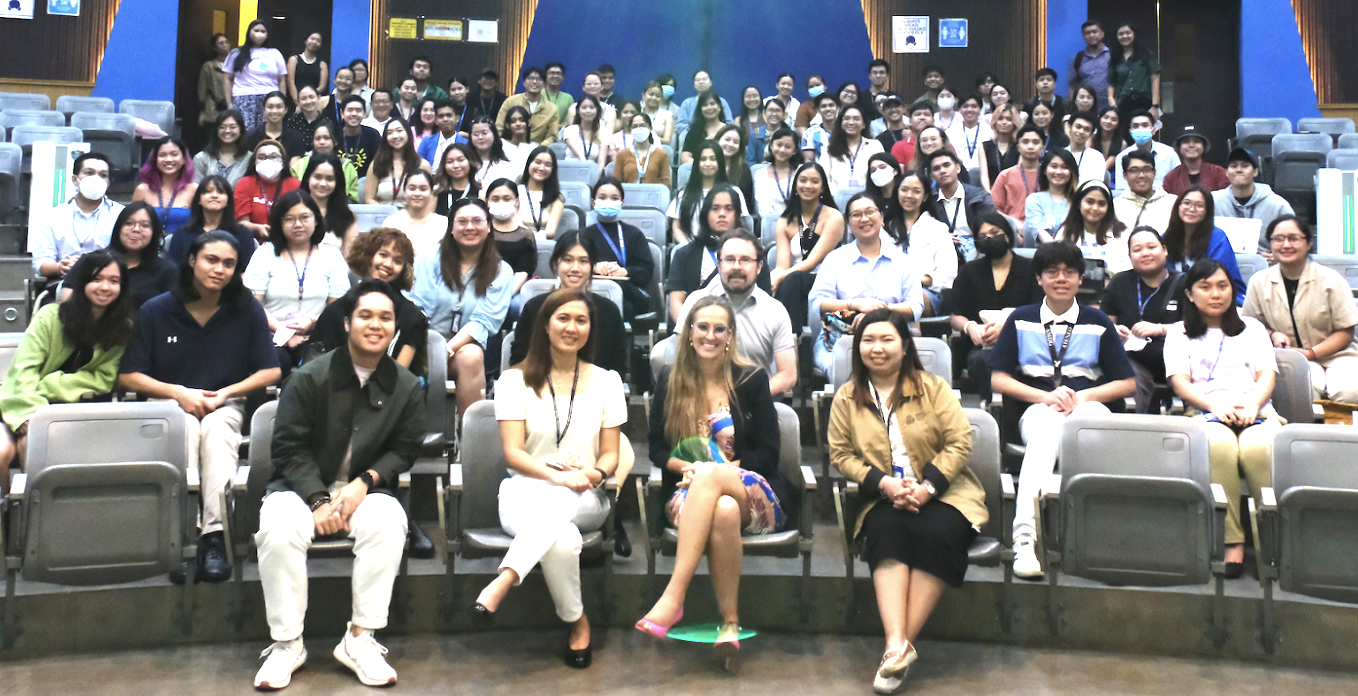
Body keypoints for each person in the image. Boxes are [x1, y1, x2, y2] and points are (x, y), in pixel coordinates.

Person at [251, 279, 422, 690]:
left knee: (388, 521)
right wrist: (318, 499)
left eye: (385, 317)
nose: (375, 324)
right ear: (347, 322)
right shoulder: (310, 377)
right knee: (277, 527)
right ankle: (287, 643)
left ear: (395, 327)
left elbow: (406, 449)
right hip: (299, 487)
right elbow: (288, 449)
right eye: (366, 315)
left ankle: (360, 639)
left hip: (364, 491)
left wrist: (366, 481)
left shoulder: (406, 385)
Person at [828, 308, 986, 694]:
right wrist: (884, 485)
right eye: (868, 340)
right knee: (886, 532)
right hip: (885, 497)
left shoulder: (933, 388)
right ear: (857, 347)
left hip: (946, 493)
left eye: (886, 340)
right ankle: (898, 644)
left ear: (904, 345)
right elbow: (841, 454)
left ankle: (894, 649)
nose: (876, 348)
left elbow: (959, 441)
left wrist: (927, 487)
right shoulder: (847, 397)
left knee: (937, 534)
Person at [479, 285, 630, 671]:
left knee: (563, 505)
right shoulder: (514, 381)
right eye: (563, 318)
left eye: (581, 320)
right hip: (525, 492)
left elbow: (611, 453)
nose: (572, 327)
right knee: (562, 539)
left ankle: (505, 577)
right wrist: (555, 476)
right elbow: (514, 454)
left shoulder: (607, 381)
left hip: (584, 494)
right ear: (545, 325)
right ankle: (577, 622)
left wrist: (593, 473)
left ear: (589, 330)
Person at [119, 231, 281, 582]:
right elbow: (129, 375)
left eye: (228, 264)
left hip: (224, 402)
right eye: (211, 260)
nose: (219, 269)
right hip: (169, 404)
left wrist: (225, 393)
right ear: (192, 260)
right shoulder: (157, 309)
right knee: (187, 429)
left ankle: (214, 537)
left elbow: (271, 370)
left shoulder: (247, 309)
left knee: (218, 433)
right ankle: (179, 535)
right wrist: (177, 393)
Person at [636, 295, 788, 666]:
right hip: (693, 494)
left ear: (731, 336)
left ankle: (674, 597)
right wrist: (684, 469)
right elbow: (656, 448)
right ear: (688, 333)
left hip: (753, 492)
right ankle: (731, 624)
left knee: (713, 480)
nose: (710, 335)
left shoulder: (751, 379)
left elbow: (769, 454)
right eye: (702, 327)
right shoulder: (670, 379)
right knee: (720, 510)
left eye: (720, 328)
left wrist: (723, 468)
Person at [989, 242, 1135, 579]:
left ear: (1080, 278)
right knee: (1045, 433)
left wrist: (1081, 398)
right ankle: (1025, 539)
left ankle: (1100, 539)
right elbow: (999, 379)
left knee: (1088, 431)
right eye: (1052, 272)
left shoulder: (1097, 321)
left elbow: (1126, 383)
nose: (1061, 278)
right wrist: (1045, 398)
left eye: (1069, 272)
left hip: (1087, 406)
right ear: (1039, 278)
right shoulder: (1020, 318)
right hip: (1037, 407)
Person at [1166, 258, 1280, 579]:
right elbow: (1180, 382)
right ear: (1189, 294)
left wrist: (1253, 405)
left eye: (1223, 286)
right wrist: (1214, 407)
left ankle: (1274, 541)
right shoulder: (1179, 332)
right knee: (1219, 447)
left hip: (1254, 411)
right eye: (1205, 287)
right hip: (1204, 413)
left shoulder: (1252, 328)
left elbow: (1267, 375)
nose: (1216, 294)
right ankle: (1233, 539)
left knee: (1259, 450)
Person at [0, 249, 132, 492]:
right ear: (82, 282)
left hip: (72, 410)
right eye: (96, 279)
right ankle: (8, 521)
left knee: (35, 446)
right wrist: (29, 412)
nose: (105, 287)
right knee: (3, 452)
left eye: (114, 281)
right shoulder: (50, 315)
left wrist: (48, 385)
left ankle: (35, 517)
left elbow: (103, 380)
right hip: (19, 403)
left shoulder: (122, 329)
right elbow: (23, 369)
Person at [409, 197, 513, 421]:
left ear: (488, 226)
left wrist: (445, 350)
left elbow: (484, 320)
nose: (470, 227)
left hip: (460, 347)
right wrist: (432, 348)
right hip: (421, 341)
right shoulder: (428, 259)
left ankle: (470, 437)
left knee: (472, 357)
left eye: (477, 221)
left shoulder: (501, 271)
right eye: (462, 221)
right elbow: (417, 308)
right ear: (452, 228)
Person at [1244, 216, 1358, 404]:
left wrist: (1311, 353)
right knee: (1303, 389)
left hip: (1338, 355)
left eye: (1294, 238)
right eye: (1278, 239)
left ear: (1308, 244)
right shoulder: (1259, 281)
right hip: (1288, 357)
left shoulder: (1331, 279)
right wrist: (1272, 334)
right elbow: (1251, 324)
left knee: (1348, 391)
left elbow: (1346, 331)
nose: (1285, 244)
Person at [809, 194, 924, 376]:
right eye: (856, 214)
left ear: (882, 218)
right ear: (848, 223)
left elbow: (915, 306)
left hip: (891, 337)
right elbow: (818, 302)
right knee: (841, 367)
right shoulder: (835, 259)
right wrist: (852, 304)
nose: (864, 218)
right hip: (841, 340)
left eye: (870, 212)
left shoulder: (903, 261)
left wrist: (878, 313)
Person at [675, 229, 797, 394]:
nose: (736, 267)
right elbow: (681, 361)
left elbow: (788, 375)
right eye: (729, 260)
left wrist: (750, 399)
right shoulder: (695, 302)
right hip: (700, 399)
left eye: (745, 260)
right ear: (719, 265)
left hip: (754, 404)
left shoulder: (775, 310)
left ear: (759, 267)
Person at [242, 190, 349, 375]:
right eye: (289, 219)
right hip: (270, 333)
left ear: (316, 219)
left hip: (317, 334)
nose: (298, 225)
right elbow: (252, 303)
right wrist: (284, 332)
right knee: (276, 363)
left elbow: (337, 306)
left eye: (305, 217)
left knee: (314, 366)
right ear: (279, 222)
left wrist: (312, 322)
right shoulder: (266, 253)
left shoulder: (332, 255)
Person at [950, 214, 1044, 400]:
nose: (990, 239)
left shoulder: (1031, 269)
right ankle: (993, 407)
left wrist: (1008, 328)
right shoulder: (969, 271)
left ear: (1008, 235)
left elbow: (1040, 310)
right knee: (981, 361)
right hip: (984, 344)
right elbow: (955, 315)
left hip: (1026, 341)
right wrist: (971, 328)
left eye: (995, 233)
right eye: (984, 236)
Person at [311, 228, 427, 374]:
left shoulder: (412, 317)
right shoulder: (335, 311)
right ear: (368, 255)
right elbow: (317, 368)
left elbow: (399, 378)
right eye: (383, 255)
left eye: (397, 261)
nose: (388, 264)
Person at [512, 230, 627, 376]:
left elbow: (617, 369)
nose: (575, 268)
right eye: (568, 260)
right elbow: (519, 362)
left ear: (592, 266)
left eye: (583, 261)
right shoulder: (534, 307)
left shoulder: (609, 311)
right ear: (555, 263)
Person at [1101, 227, 1182, 413]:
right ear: (1130, 256)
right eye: (1137, 250)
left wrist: (1161, 329)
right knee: (1128, 379)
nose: (1145, 253)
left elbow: (1198, 327)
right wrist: (1114, 329)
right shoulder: (1120, 282)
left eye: (1152, 247)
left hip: (1177, 358)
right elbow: (1104, 323)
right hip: (1133, 358)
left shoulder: (1184, 282)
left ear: (1165, 250)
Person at [60, 202, 176, 308]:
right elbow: (66, 303)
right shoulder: (90, 261)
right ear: (118, 228)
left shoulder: (166, 271)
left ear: (154, 232)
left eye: (145, 225)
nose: (136, 229)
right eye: (129, 223)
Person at [771, 163, 844, 329]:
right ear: (796, 185)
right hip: (793, 280)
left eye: (814, 181)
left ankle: (792, 337)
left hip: (826, 279)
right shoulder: (784, 221)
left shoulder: (833, 217)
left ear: (823, 187)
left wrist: (780, 278)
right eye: (802, 180)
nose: (808, 186)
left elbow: (812, 262)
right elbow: (782, 266)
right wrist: (770, 280)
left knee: (792, 280)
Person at [30, 152, 124, 279]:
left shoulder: (121, 214)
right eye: (89, 173)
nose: (96, 179)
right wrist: (60, 267)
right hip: (65, 280)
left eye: (103, 175)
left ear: (108, 183)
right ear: (75, 180)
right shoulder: (53, 216)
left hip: (109, 281)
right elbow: (40, 263)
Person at [580, 177, 657, 322]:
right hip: (591, 292)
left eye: (614, 198)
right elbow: (574, 265)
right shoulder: (583, 235)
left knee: (623, 308)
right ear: (593, 202)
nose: (608, 202)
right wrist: (593, 267)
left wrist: (625, 271)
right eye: (602, 198)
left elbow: (646, 269)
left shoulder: (634, 234)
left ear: (622, 203)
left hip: (627, 294)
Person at [885, 171, 956, 317]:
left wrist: (919, 281)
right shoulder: (885, 229)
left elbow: (949, 274)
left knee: (917, 297)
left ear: (925, 196)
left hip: (926, 292)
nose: (909, 195)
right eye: (904, 190)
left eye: (916, 191)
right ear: (897, 192)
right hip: (888, 292)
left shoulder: (938, 228)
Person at [1162, 185, 1246, 304]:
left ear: (1207, 211)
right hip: (1173, 297)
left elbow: (1217, 276)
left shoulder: (1217, 237)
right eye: (1186, 203)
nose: (1191, 209)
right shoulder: (1165, 237)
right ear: (1178, 206)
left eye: (1199, 205)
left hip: (1213, 295)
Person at [1212, 148, 1295, 257]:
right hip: (1221, 263)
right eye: (1233, 166)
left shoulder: (1277, 204)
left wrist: (1280, 256)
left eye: (1245, 166)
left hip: (1265, 264)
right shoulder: (1212, 201)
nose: (1238, 170)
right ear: (1227, 173)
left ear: (1255, 172)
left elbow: (1295, 237)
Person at [166, 175, 257, 269]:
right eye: (207, 191)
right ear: (198, 200)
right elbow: (174, 271)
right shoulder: (182, 234)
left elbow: (246, 273)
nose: (214, 195)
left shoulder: (243, 234)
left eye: (221, 192)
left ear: (228, 201)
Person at [926, 150, 998, 262]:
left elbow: (993, 228)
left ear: (958, 168)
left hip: (978, 250)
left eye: (946, 165)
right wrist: (941, 239)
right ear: (933, 177)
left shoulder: (980, 197)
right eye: (936, 168)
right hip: (941, 253)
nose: (942, 171)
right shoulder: (928, 202)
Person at [667, 142, 746, 245]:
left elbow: (740, 225)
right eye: (703, 159)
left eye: (713, 159)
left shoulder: (735, 192)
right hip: (692, 250)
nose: (708, 164)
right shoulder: (684, 194)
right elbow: (676, 228)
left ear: (720, 162)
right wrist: (689, 249)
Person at [1049, 179, 1130, 275]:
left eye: (1102, 204)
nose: (1095, 208)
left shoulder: (1121, 233)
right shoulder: (1065, 233)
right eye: (1090, 202)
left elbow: (1128, 270)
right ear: (1079, 203)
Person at [223, 20, 287, 132]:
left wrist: (281, 100)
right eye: (256, 30)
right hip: (243, 98)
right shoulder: (236, 53)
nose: (259, 33)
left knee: (267, 131)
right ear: (249, 32)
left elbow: (282, 80)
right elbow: (227, 79)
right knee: (244, 133)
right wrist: (229, 103)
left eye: (263, 31)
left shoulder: (274, 53)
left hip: (268, 98)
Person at [480, 178, 536, 302]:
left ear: (516, 201)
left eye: (507, 199)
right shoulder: (479, 230)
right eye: (495, 199)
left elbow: (523, 271)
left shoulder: (525, 235)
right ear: (487, 202)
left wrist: (505, 295)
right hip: (479, 285)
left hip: (512, 289)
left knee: (515, 306)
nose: (501, 203)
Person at [235, 140, 301, 242]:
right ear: (254, 162)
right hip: (254, 243)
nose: (267, 161)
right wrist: (257, 228)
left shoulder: (296, 185)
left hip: (289, 242)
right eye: (261, 157)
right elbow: (241, 223)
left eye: (274, 156)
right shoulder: (245, 183)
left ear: (283, 161)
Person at [132, 137, 198, 236]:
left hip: (183, 247)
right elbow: (132, 223)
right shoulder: (142, 189)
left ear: (184, 159)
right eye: (162, 155)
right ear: (155, 160)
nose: (168, 159)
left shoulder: (194, 189)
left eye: (174, 154)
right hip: (148, 247)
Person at [300, 153, 359, 253]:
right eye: (317, 177)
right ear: (307, 178)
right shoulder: (292, 209)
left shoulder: (346, 216)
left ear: (337, 182)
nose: (323, 183)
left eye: (330, 179)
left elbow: (350, 260)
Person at [364, 120, 430, 208]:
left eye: (399, 131)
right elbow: (369, 199)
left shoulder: (422, 165)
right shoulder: (377, 164)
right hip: (383, 217)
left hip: (413, 217)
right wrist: (389, 214)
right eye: (389, 133)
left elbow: (430, 198)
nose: (395, 136)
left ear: (408, 133)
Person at [819, 105, 885, 191]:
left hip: (868, 199)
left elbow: (882, 175)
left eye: (856, 119)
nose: (851, 122)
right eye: (846, 118)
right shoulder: (830, 148)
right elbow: (823, 176)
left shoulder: (874, 145)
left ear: (864, 124)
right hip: (836, 199)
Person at [988, 125, 1045, 223]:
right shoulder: (1006, 175)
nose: (1030, 146)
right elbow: (993, 208)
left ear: (1043, 148)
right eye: (1025, 142)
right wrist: (1013, 223)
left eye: (1035, 142)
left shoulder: (1049, 175)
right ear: (1018, 147)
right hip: (1014, 229)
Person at [289, 122, 359, 202]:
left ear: (335, 141)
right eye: (317, 138)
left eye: (326, 138)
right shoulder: (300, 164)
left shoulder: (347, 166)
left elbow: (353, 199)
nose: (322, 142)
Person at [1112, 110, 1179, 192]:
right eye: (1136, 126)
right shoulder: (1122, 157)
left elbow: (1178, 183)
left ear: (1153, 130)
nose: (1140, 129)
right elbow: (1122, 190)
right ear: (1130, 132)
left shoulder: (1169, 153)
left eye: (1145, 125)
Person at [381, 170, 446, 253]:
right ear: (404, 192)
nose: (417, 193)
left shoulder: (444, 224)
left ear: (431, 192)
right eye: (412, 188)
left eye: (423, 189)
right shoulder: (391, 223)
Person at [1112, 150, 1177, 234]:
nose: (1141, 175)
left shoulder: (1173, 202)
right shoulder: (1115, 206)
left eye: (1147, 170)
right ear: (1125, 175)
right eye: (1134, 170)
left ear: (1154, 173)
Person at [1108, 23, 1162, 122]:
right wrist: (1112, 101)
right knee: (1125, 134)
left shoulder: (1145, 53)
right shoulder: (1115, 58)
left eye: (1128, 33)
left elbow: (1155, 79)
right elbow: (1111, 82)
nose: (1124, 36)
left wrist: (1155, 105)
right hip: (1123, 104)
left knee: (1143, 133)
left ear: (1134, 34)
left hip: (1144, 102)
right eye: (1121, 34)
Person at [495, 66, 560, 145]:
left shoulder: (552, 108)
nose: (534, 82)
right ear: (524, 82)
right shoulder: (510, 102)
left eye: (539, 79)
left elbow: (552, 136)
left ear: (544, 84)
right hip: (510, 146)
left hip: (537, 149)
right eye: (530, 78)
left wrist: (539, 149)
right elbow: (499, 127)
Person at [1024, 149, 1078, 243]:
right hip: (1043, 254)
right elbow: (1040, 232)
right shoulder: (1034, 200)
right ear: (1044, 170)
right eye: (1054, 166)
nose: (1058, 172)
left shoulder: (1079, 201)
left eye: (1064, 167)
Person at [1161, 124, 1228, 196]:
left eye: (1197, 141)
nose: (1191, 145)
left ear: (1204, 146)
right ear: (1179, 147)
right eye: (1186, 142)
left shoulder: (1219, 173)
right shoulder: (1171, 178)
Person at [517, 146, 564, 240]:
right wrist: (531, 236)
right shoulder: (515, 191)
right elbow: (514, 223)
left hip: (543, 241)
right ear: (529, 163)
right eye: (537, 162)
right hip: (518, 239)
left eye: (548, 165)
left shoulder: (556, 196)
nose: (542, 168)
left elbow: (550, 231)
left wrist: (536, 237)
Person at [244, 91, 306, 162]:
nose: (274, 111)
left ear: (286, 110)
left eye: (279, 107)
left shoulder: (296, 138)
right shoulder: (251, 136)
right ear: (264, 109)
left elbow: (294, 168)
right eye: (270, 107)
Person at [752, 127, 800, 218]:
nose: (782, 150)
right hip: (772, 224)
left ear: (795, 151)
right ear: (771, 146)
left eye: (788, 147)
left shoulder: (802, 172)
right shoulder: (760, 174)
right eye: (779, 145)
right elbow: (763, 207)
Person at [195, 110, 251, 185]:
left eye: (232, 127)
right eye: (222, 127)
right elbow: (194, 188)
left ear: (241, 129)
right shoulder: (201, 158)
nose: (227, 131)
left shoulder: (250, 159)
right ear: (216, 130)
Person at [613, 112, 671, 186]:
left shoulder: (661, 154)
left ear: (650, 128)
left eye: (642, 125)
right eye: (634, 126)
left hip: (652, 196)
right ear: (630, 129)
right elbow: (616, 183)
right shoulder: (622, 154)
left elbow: (666, 183)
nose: (638, 129)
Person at [943, 94, 992, 174]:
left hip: (985, 172)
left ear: (980, 109)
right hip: (958, 173)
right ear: (960, 110)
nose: (969, 109)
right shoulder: (950, 132)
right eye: (965, 106)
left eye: (974, 106)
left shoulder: (989, 131)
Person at [334, 95, 381, 178]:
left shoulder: (373, 135)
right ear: (342, 113)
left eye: (358, 110)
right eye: (350, 110)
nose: (354, 114)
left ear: (364, 114)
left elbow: (377, 164)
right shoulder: (334, 134)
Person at [1071, 20, 1112, 111]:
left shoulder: (1113, 55)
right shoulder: (1078, 58)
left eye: (1094, 32)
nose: (1091, 35)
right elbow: (1073, 85)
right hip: (1086, 109)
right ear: (1083, 36)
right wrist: (1072, 108)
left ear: (1102, 34)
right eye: (1087, 33)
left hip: (1110, 109)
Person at [681, 90, 730, 164]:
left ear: (719, 107)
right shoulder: (694, 131)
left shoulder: (728, 131)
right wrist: (702, 165)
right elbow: (685, 157)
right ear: (700, 109)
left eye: (712, 104)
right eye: (705, 105)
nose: (709, 108)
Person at [419, 98, 472, 167]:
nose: (445, 119)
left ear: (457, 118)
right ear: (436, 121)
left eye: (449, 115)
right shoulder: (427, 141)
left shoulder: (466, 143)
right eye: (441, 116)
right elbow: (418, 165)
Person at [980, 105, 1021, 192]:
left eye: (1009, 119)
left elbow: (1019, 176)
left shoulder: (1020, 147)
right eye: (1000, 118)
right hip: (990, 193)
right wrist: (989, 193)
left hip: (1013, 193)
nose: (1004, 122)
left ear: (1014, 123)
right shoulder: (984, 147)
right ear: (995, 121)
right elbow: (984, 176)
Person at [715, 124, 756, 210]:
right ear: (717, 140)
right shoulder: (708, 164)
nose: (730, 144)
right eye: (727, 139)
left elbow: (747, 202)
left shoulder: (744, 169)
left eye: (736, 142)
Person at [434, 143, 481, 217]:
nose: (455, 165)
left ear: (470, 161)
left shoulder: (480, 194)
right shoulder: (436, 192)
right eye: (450, 161)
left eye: (460, 160)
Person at [198, 34, 232, 135]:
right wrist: (202, 112)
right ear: (214, 48)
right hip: (213, 107)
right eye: (221, 43)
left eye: (226, 42)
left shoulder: (235, 65)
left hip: (231, 106)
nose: (225, 45)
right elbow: (202, 89)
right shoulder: (209, 66)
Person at [562, 94, 608, 170]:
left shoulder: (602, 133)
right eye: (584, 107)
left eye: (592, 107)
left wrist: (595, 178)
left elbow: (601, 162)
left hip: (591, 173)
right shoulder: (570, 130)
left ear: (597, 110)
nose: (588, 111)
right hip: (570, 171)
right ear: (578, 111)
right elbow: (580, 157)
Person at [469, 116, 518, 185]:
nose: (480, 137)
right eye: (475, 134)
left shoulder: (504, 166)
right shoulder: (465, 163)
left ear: (494, 135)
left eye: (484, 133)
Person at [1065, 110, 1108, 186]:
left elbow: (1094, 186)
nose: (1081, 131)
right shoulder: (1059, 154)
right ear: (1069, 127)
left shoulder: (1096, 157)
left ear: (1091, 133)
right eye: (1078, 127)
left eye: (1087, 129)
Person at [887, 101, 934, 167]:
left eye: (927, 114)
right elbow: (898, 175)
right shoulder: (899, 147)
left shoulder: (942, 143)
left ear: (933, 121)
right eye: (917, 114)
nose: (922, 117)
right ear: (910, 121)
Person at [284, 31, 327, 103]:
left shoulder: (322, 64)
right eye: (312, 39)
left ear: (320, 45)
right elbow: (290, 82)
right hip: (294, 101)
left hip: (312, 101)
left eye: (318, 41)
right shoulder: (294, 60)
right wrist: (297, 102)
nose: (314, 42)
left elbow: (322, 87)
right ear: (306, 41)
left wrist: (308, 97)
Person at [283, 86, 329, 150]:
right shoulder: (291, 123)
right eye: (303, 98)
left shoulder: (327, 122)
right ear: (298, 102)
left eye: (311, 97)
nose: (308, 101)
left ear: (319, 98)